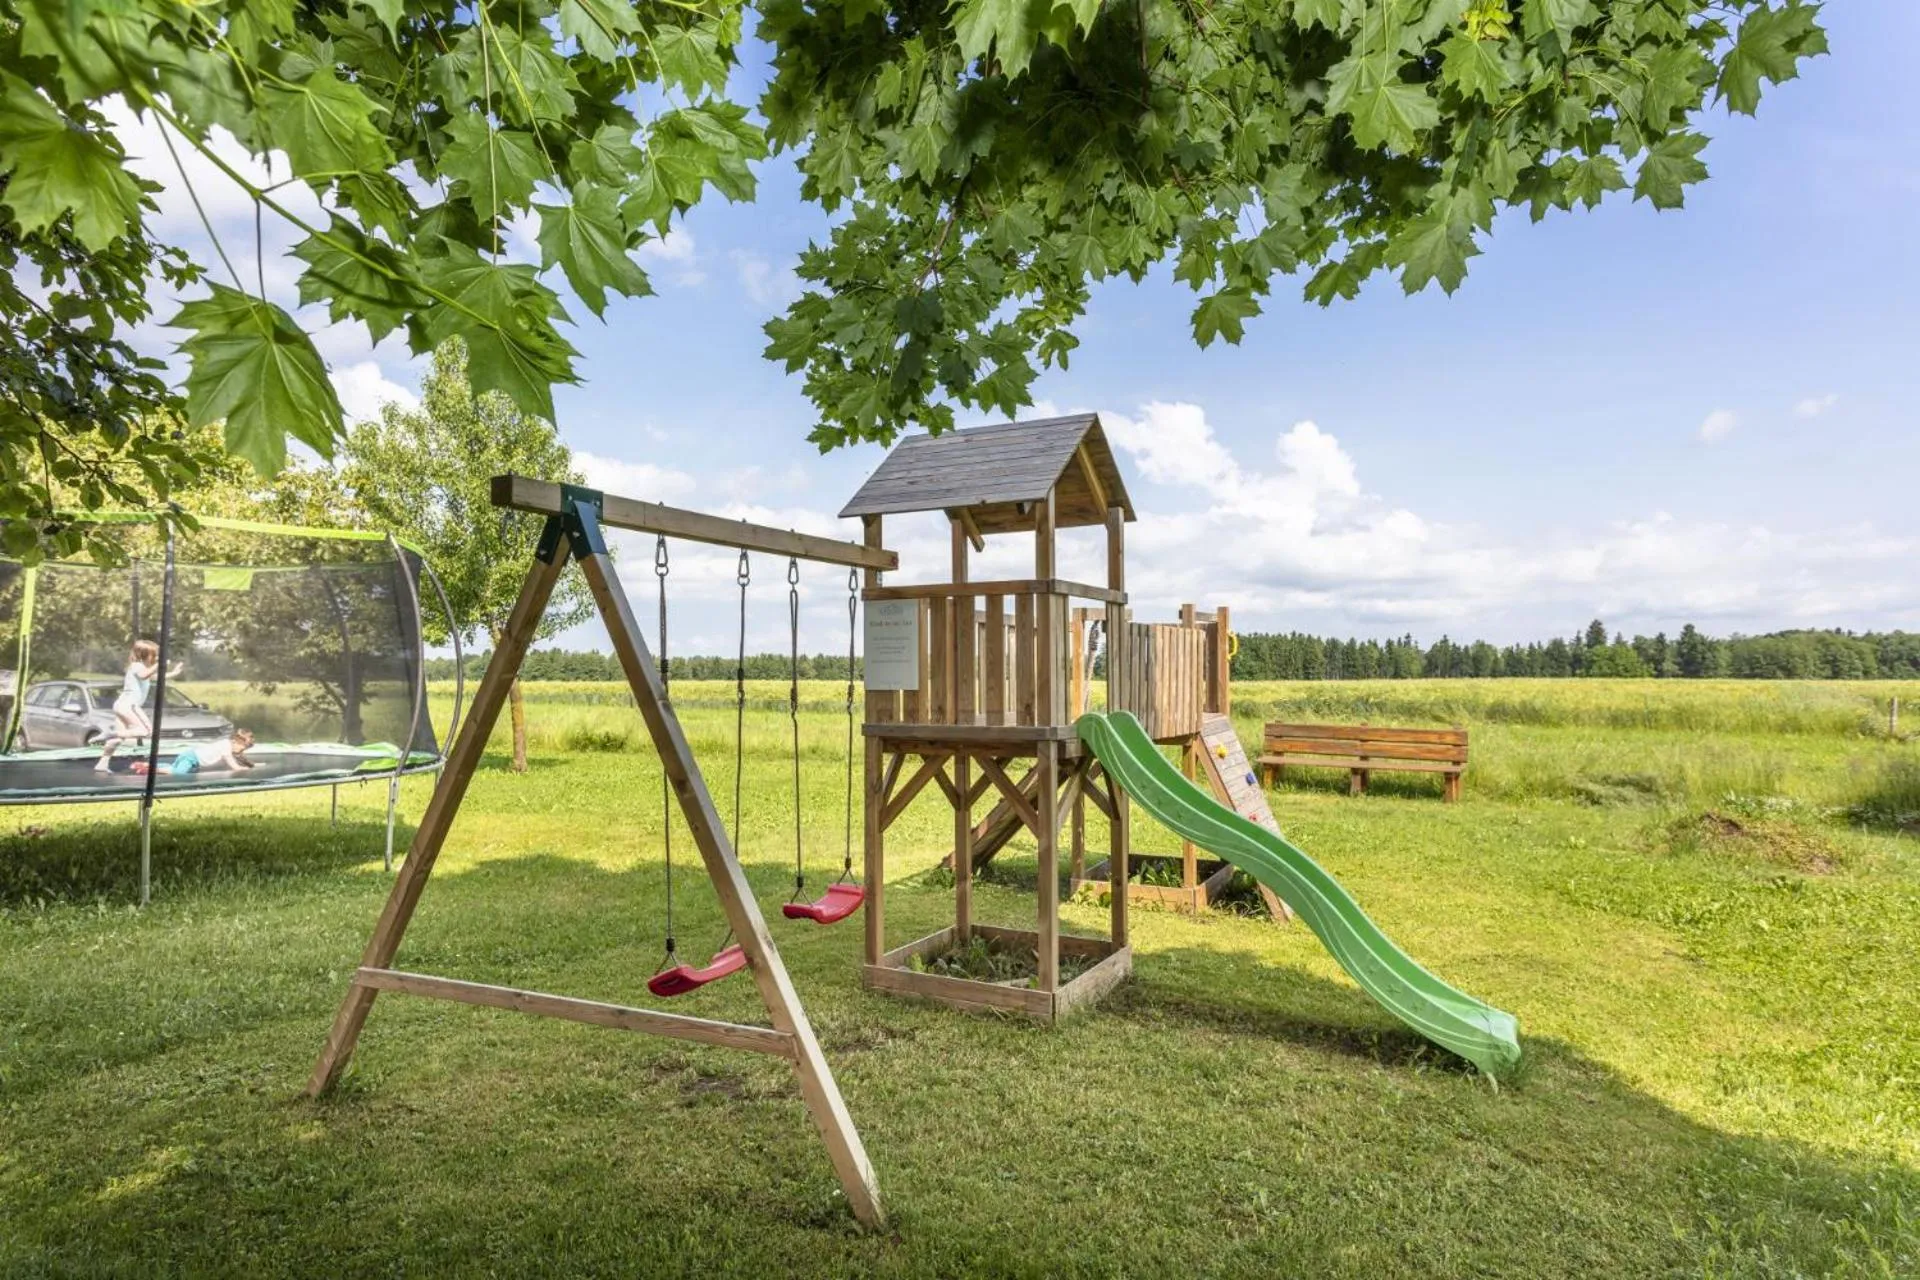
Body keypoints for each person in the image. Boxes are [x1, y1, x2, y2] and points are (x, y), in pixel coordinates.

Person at [95, 640, 183, 772]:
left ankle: (102, 763)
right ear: (144, 655)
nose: (156, 658)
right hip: (129, 706)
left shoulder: (141, 668)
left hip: (122, 705)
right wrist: (161, 664)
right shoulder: (137, 666)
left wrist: (174, 673)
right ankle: (109, 733)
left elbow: (155, 676)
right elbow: (144, 675)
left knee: (119, 738)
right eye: (154, 655)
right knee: (146, 731)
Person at [167, 729, 255, 776]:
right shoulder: (226, 745)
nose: (241, 751)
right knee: (178, 773)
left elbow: (240, 758)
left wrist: (251, 765)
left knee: (174, 768)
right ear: (236, 742)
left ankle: (158, 767)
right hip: (191, 757)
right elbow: (232, 763)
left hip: (195, 761)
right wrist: (239, 768)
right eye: (242, 748)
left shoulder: (228, 745)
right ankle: (156, 769)